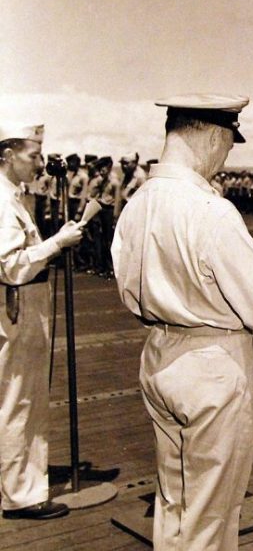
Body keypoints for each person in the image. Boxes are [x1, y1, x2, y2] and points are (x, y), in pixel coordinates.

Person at [111, 94, 253, 551]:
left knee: (174, 500)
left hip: (159, 354)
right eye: (228, 144)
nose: (225, 156)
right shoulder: (210, 211)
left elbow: (124, 282)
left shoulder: (137, 204)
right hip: (212, 364)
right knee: (211, 513)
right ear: (214, 136)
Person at [0, 123, 84, 520]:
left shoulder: (12, 197)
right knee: (21, 401)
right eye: (32, 155)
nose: (39, 163)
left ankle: (13, 482)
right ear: (7, 155)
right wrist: (57, 243)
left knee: (15, 399)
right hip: (17, 307)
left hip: (24, 306)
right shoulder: (2, 201)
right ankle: (20, 495)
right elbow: (10, 264)